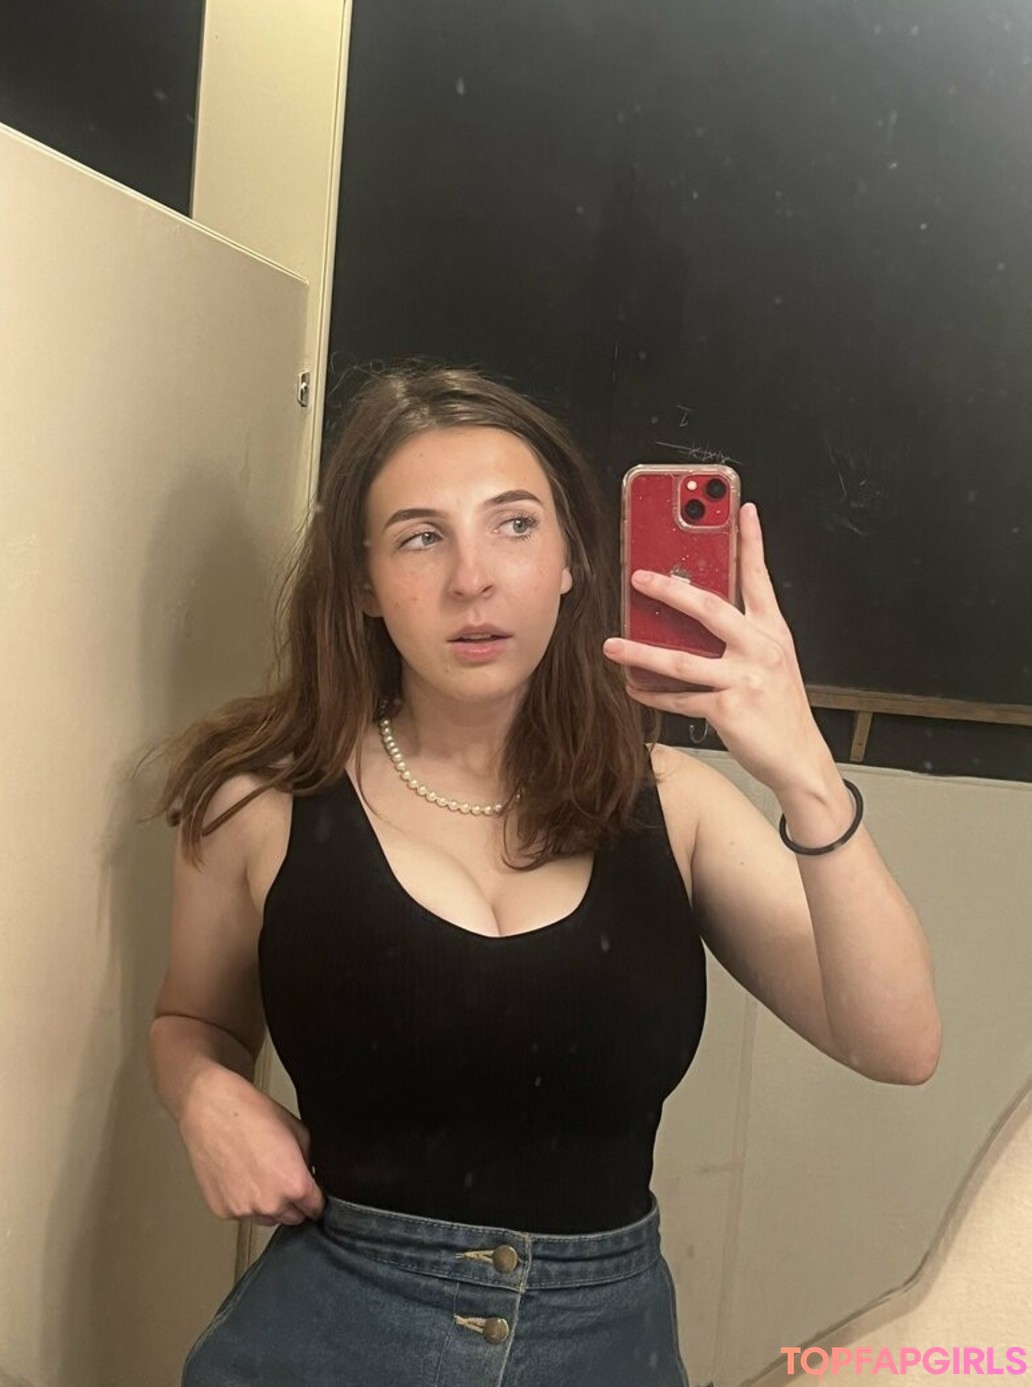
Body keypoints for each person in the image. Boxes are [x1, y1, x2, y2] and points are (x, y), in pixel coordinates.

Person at [146, 364, 941, 1386]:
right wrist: (203, 1093)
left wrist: (806, 774)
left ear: (571, 559)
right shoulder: (260, 803)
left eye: (515, 525)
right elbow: (190, 1022)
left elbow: (899, 1044)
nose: (472, 579)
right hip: (324, 1338)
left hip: (608, 1348)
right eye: (421, 537)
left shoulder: (677, 806)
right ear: (363, 583)